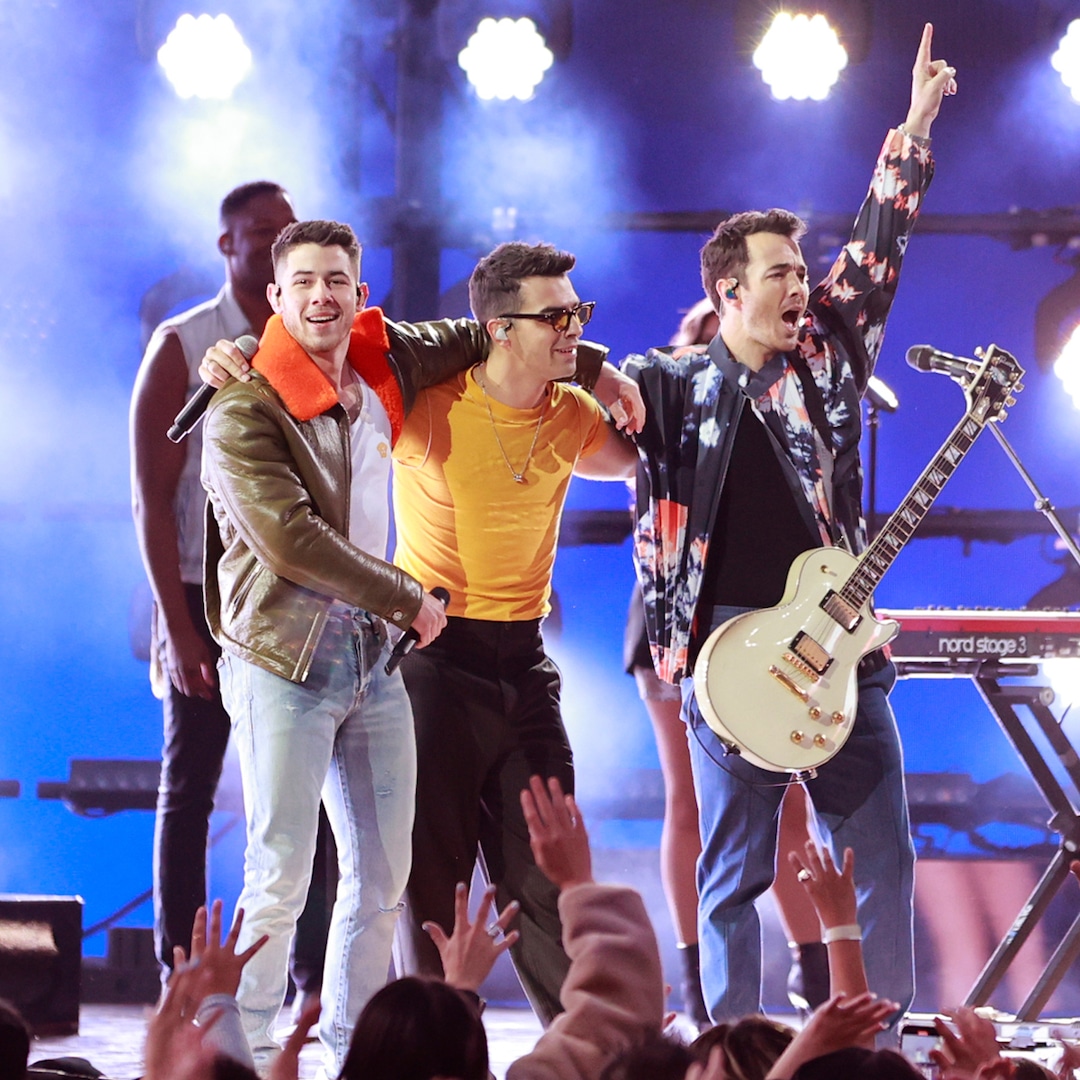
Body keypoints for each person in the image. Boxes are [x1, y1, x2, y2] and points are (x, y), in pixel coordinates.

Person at [198, 222, 633, 1073]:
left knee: (391, 877)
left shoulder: (385, 372)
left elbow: (485, 333)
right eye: (303, 282)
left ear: (362, 295)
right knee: (294, 868)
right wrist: (408, 601)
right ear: (276, 298)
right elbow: (289, 537)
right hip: (318, 652)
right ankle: (250, 1055)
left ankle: (374, 1053)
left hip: (393, 655)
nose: (323, 295)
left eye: (338, 281)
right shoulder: (254, 400)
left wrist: (595, 365)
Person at [621, 24, 957, 1023]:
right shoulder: (669, 382)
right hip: (728, 653)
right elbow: (582, 407)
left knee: (882, 853)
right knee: (735, 871)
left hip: (841, 647)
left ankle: (875, 1044)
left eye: (801, 270)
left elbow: (880, 247)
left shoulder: (829, 358)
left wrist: (913, 127)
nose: (800, 284)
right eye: (779, 272)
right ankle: (730, 1045)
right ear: (726, 292)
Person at [390, 241, 640, 1023]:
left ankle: (582, 1052)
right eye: (556, 317)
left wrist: (617, 383)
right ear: (499, 329)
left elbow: (638, 461)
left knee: (549, 878)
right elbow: (336, 367)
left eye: (578, 313)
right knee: (434, 892)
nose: (575, 329)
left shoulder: (572, 414)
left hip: (526, 664)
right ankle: (435, 1059)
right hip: (433, 666)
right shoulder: (428, 408)